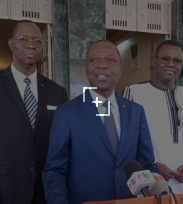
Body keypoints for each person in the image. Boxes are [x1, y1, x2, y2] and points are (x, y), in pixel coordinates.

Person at [42, 40, 160, 204]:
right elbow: (55, 170)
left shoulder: (136, 111)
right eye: (94, 60)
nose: (102, 65)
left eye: (110, 60)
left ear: (120, 71)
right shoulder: (66, 113)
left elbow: (146, 163)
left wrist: (161, 186)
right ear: (86, 70)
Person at [0, 20, 68, 204]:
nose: (31, 45)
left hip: (47, 190)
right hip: (5, 188)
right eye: (23, 39)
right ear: (10, 43)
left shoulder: (58, 92)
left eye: (37, 41)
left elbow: (63, 145)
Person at [122, 40, 183, 194]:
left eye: (177, 60)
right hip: (148, 183)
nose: (171, 64)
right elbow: (124, 140)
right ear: (154, 61)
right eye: (165, 59)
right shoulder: (133, 92)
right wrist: (151, 165)